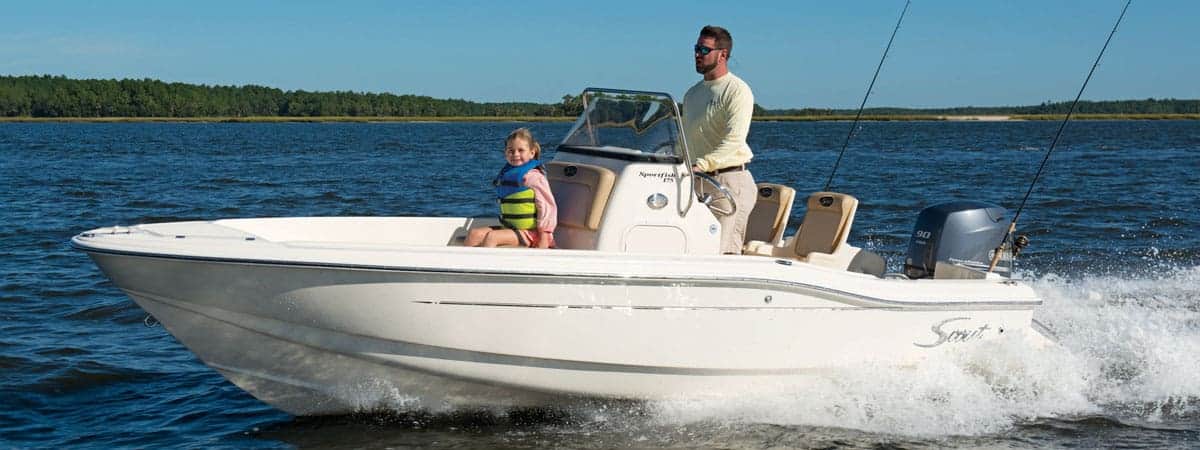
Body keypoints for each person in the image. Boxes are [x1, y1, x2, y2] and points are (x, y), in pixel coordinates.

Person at [683, 25, 757, 254]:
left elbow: (734, 141)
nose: (697, 54)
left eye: (704, 50)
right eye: (696, 48)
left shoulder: (737, 91)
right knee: (692, 248)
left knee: (722, 254)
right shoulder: (692, 94)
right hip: (696, 181)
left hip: (729, 183)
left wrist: (700, 165)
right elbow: (684, 139)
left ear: (722, 54)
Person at [465, 128, 557, 248]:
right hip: (510, 228)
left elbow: (547, 207)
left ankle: (488, 265)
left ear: (532, 152)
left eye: (521, 150)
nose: (515, 154)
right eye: (511, 151)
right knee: (474, 234)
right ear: (505, 152)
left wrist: (544, 237)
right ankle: (464, 264)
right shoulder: (507, 173)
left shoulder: (534, 177)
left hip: (530, 233)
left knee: (492, 237)